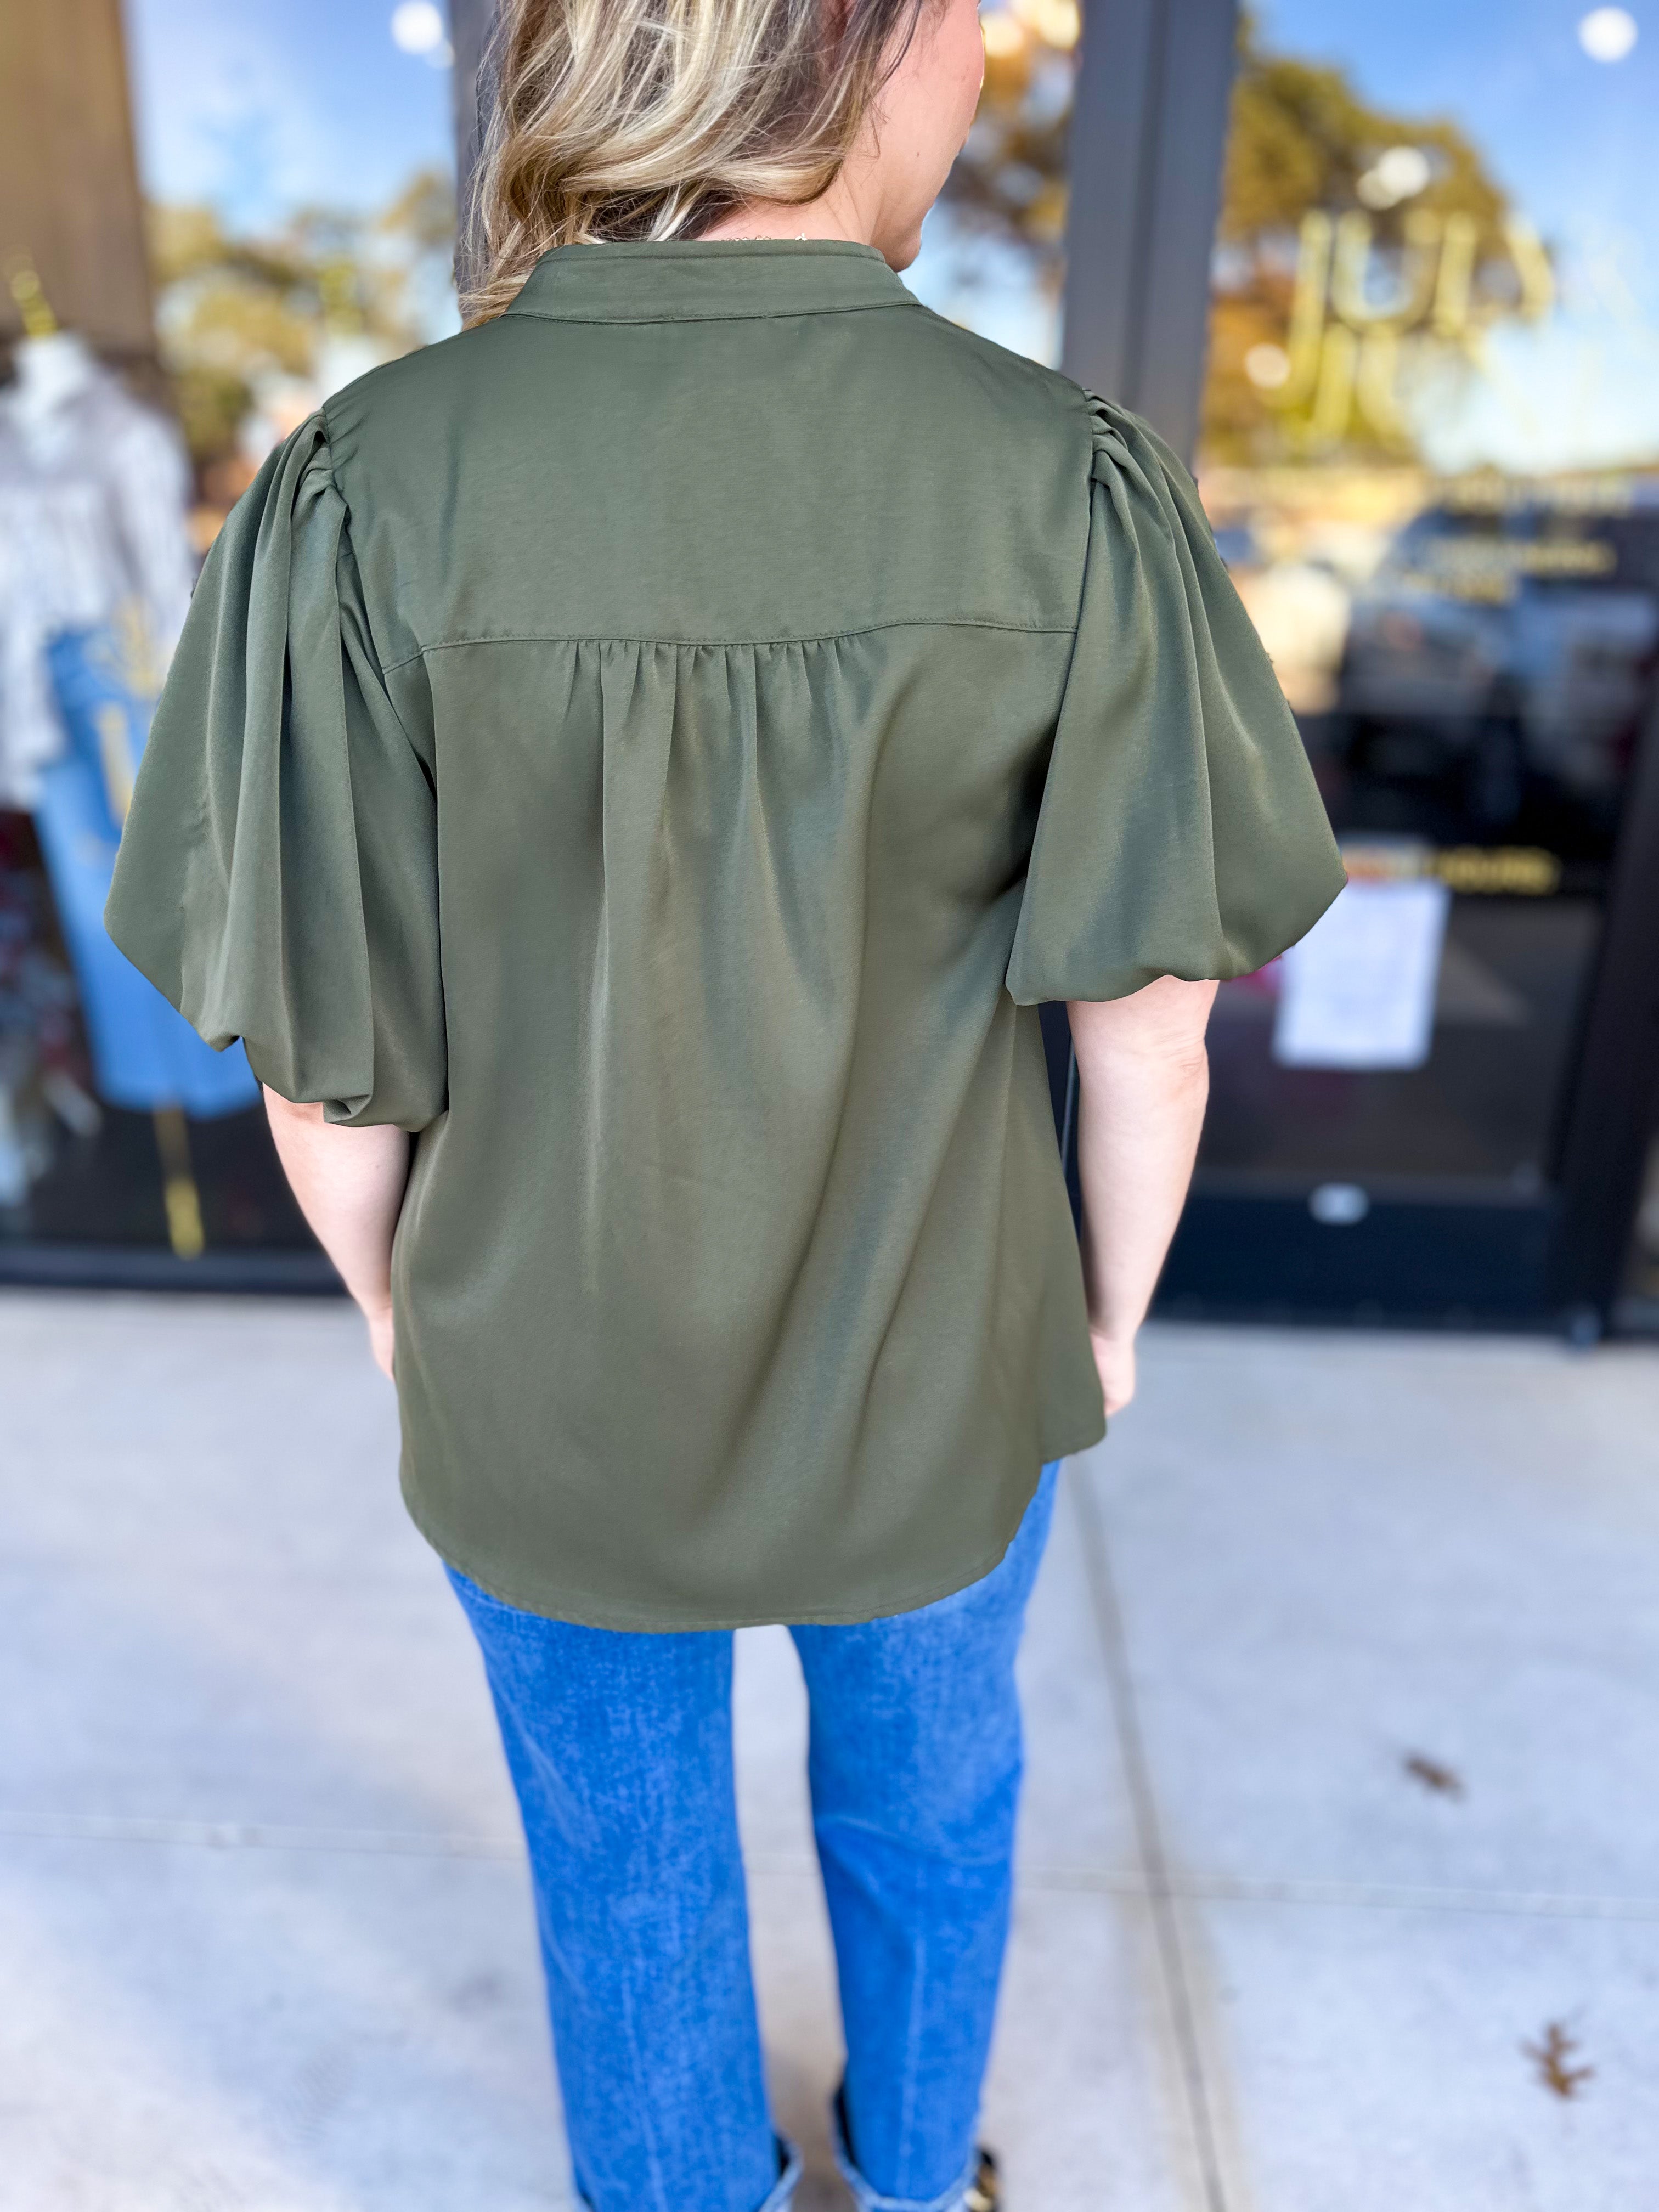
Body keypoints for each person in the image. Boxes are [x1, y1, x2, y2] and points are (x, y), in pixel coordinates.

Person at [106, 0, 1345, 2203]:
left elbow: (323, 1053)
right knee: (933, 1805)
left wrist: (400, 1312)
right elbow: (1151, 1024)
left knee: (623, 1863)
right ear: (857, 47)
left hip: (543, 1371)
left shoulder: (365, 485)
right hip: (941, 1363)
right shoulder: (1059, 478)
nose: (987, 62)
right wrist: (1101, 1324)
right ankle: (919, 2165)